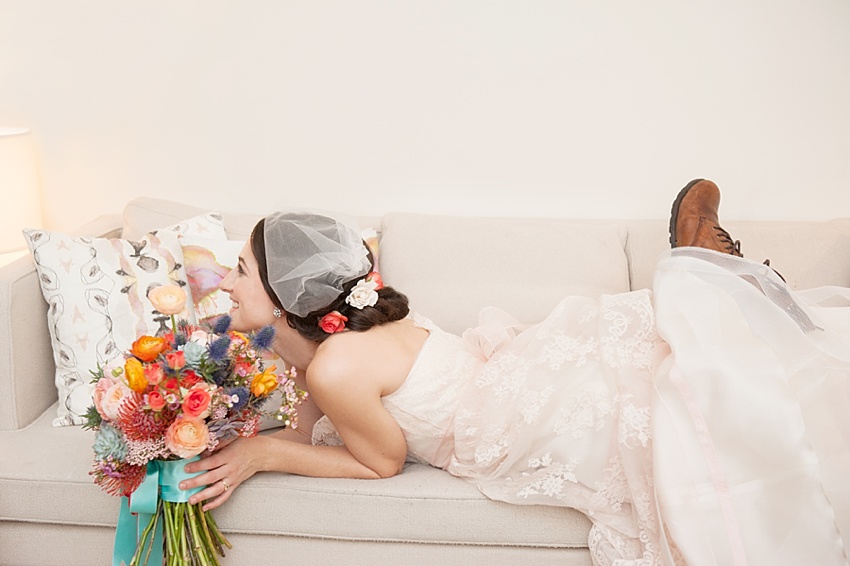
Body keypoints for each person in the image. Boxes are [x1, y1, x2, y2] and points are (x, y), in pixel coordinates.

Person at [179, 179, 850, 565]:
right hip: (513, 377)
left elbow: (378, 462)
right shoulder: (329, 350)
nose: (228, 283)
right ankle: (727, 287)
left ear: (286, 292)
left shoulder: (337, 365)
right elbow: (315, 430)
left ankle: (712, 280)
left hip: (517, 410)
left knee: (675, 400)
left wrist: (264, 452)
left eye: (241, 270)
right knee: (672, 367)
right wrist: (224, 431)